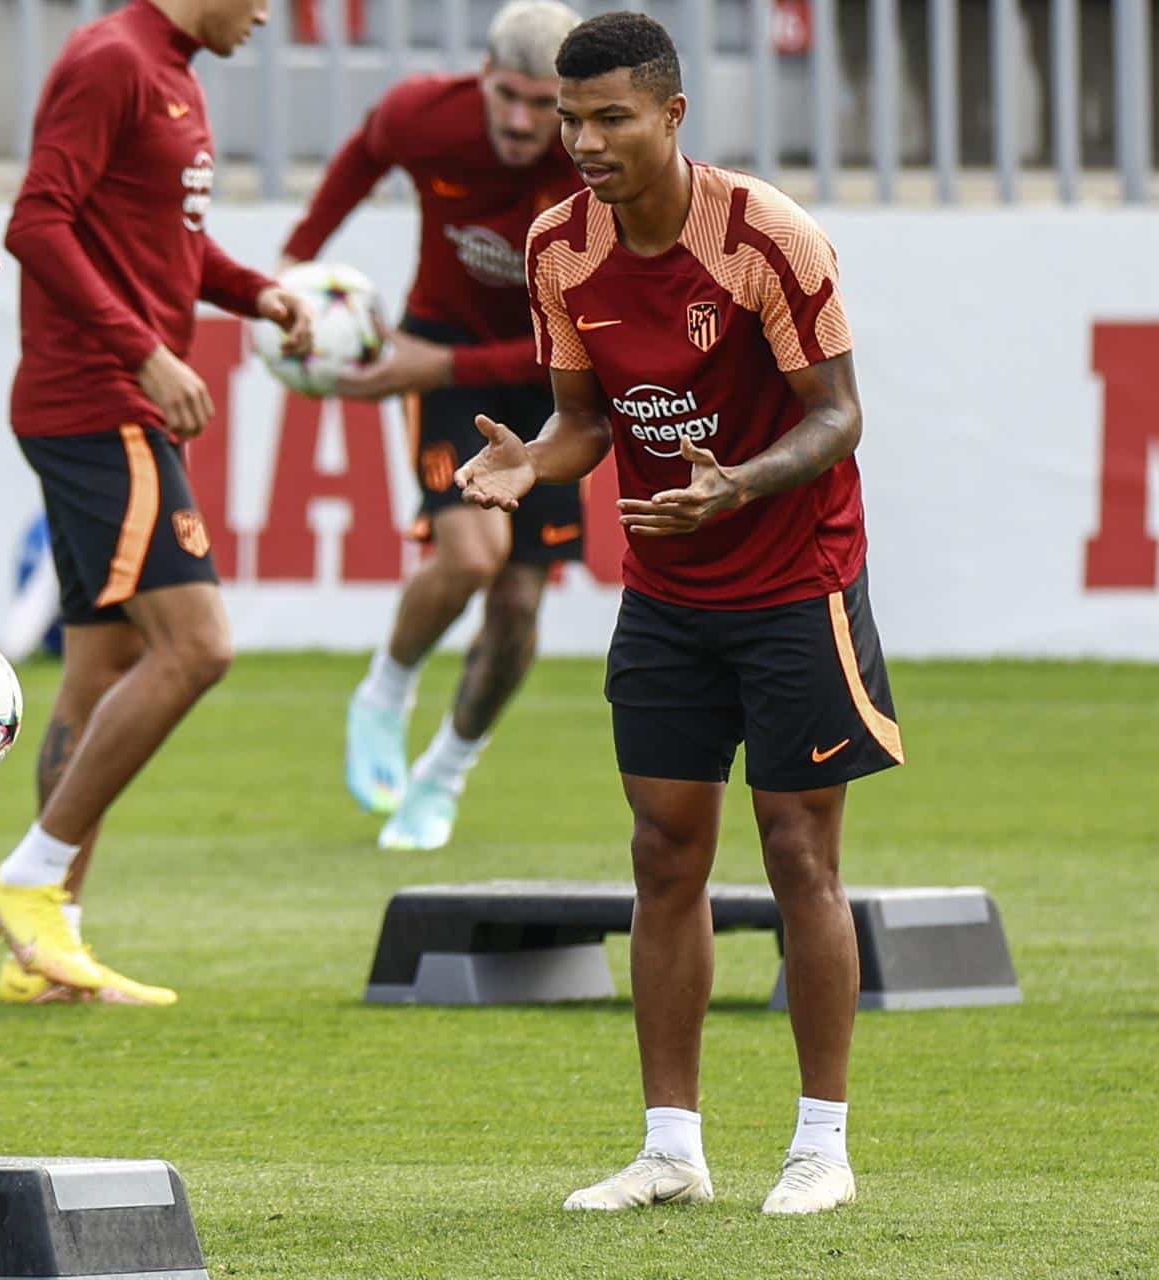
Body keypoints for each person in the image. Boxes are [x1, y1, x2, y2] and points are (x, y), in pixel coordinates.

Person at [456, 11, 901, 1216]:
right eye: (570, 117)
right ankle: (672, 1149)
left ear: (672, 116)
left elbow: (838, 415)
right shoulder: (558, 244)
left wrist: (739, 484)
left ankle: (820, 1146)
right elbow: (588, 421)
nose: (585, 141)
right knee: (663, 855)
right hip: (668, 591)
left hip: (796, 579)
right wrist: (534, 464)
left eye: (611, 118)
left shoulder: (767, 235)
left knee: (801, 853)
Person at [0, 0, 310, 1007]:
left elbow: (160, 241)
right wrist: (148, 353)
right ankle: (29, 879)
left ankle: (44, 948)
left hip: (96, 402)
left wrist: (258, 294)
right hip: (101, 405)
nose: (267, 12)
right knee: (197, 645)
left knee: (99, 668)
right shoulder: (112, 61)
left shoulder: (171, 67)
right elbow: (36, 220)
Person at [279, 0, 585, 851]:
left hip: (550, 378)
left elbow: (588, 344)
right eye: (507, 97)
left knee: (520, 601)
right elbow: (364, 154)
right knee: (472, 556)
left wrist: (433, 368)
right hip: (447, 348)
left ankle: (443, 774)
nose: (522, 122)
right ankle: (384, 692)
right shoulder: (427, 115)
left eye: (542, 106)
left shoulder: (598, 165)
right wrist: (292, 269)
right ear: (482, 79)